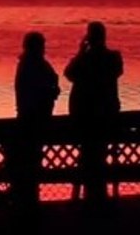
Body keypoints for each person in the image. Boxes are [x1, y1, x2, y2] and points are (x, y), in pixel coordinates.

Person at [64, 21, 123, 209]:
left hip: (84, 119)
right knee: (98, 154)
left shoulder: (85, 60)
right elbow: (117, 72)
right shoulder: (114, 58)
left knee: (89, 155)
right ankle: (99, 197)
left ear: (89, 37)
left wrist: (81, 51)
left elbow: (69, 73)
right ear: (104, 37)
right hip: (107, 119)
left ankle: (92, 198)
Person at [12, 31, 60, 219]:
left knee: (29, 163)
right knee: (30, 163)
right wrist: (51, 91)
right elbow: (49, 85)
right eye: (42, 45)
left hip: (30, 119)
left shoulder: (27, 65)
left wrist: (51, 90)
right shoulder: (34, 65)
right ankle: (28, 204)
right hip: (34, 120)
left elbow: (52, 83)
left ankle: (28, 204)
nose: (44, 48)